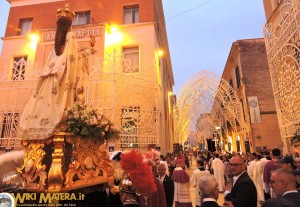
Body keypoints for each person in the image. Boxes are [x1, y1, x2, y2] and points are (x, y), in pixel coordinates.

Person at [18, 4, 89, 140]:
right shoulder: (71, 36)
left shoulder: (56, 43)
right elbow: (73, 58)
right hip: (63, 79)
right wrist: (85, 54)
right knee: (60, 107)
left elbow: (64, 57)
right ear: (69, 25)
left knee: (45, 106)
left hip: (49, 81)